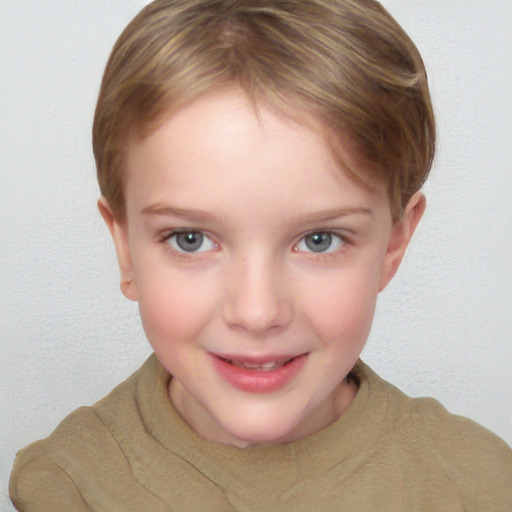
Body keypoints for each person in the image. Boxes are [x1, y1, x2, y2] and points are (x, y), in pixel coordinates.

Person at [9, 0, 512, 510]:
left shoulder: (478, 485)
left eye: (320, 240)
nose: (256, 312)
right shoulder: (68, 486)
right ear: (125, 247)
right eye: (190, 239)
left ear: (395, 242)